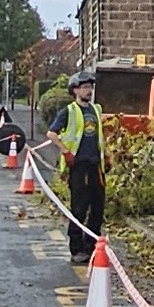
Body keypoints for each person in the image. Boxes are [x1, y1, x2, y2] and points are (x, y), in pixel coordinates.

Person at [55, 88, 105, 265]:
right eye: (84, 87)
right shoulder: (69, 111)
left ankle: (92, 246)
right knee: (79, 208)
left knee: (98, 206)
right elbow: (52, 134)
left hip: (95, 165)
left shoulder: (95, 109)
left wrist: (105, 156)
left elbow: (99, 136)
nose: (89, 90)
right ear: (75, 90)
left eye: (90, 87)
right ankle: (77, 249)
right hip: (79, 165)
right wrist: (66, 152)